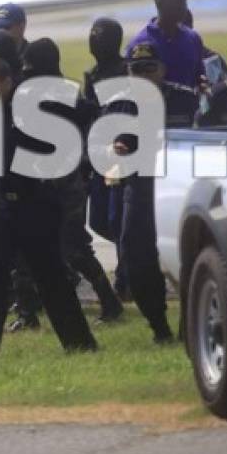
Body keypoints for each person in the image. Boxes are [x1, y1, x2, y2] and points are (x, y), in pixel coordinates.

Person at [0, 56, 98, 359]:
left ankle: (79, 344)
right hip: (1, 205)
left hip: (36, 204)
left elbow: (79, 116)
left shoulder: (31, 108)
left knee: (51, 277)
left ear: (4, 82)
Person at [21, 38, 124, 325]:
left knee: (74, 248)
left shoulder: (56, 95)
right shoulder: (61, 93)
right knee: (55, 247)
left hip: (65, 183)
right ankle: (35, 309)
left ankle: (109, 302)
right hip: (52, 180)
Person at [111, 42, 197, 344]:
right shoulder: (122, 104)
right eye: (137, 70)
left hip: (181, 189)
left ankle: (192, 324)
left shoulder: (186, 99)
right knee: (136, 256)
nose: (144, 76)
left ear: (162, 69)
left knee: (190, 257)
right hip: (141, 187)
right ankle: (159, 326)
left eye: (150, 69)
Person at [81, 17, 131, 299]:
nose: (95, 40)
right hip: (99, 155)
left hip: (122, 154)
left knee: (116, 219)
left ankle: (125, 276)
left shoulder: (127, 72)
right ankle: (134, 253)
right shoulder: (92, 75)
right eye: (92, 34)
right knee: (99, 220)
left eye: (100, 35)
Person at [125, 0, 205, 91]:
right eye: (178, 1)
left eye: (184, 2)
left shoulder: (193, 38)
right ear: (159, 3)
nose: (184, 7)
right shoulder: (139, 45)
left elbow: (200, 77)